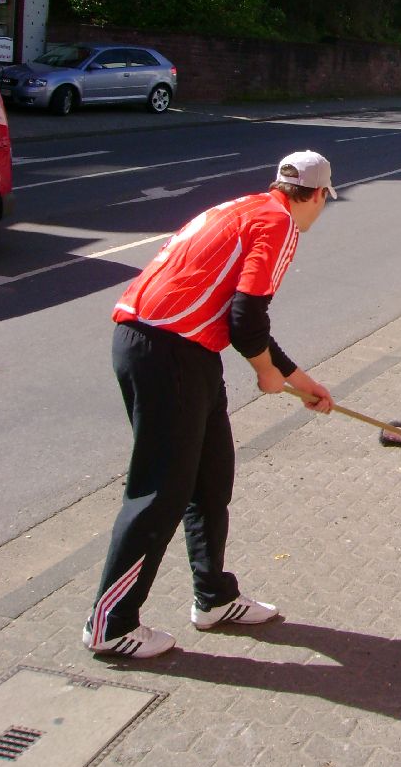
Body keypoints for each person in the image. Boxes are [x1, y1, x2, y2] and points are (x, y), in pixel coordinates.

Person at [83, 150, 337, 659]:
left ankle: (214, 597)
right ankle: (110, 625)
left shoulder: (244, 207)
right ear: (314, 195)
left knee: (210, 477)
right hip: (165, 353)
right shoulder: (280, 223)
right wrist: (267, 373)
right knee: (160, 493)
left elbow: (243, 320)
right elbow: (246, 320)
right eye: (325, 199)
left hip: (182, 351)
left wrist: (299, 379)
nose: (321, 209)